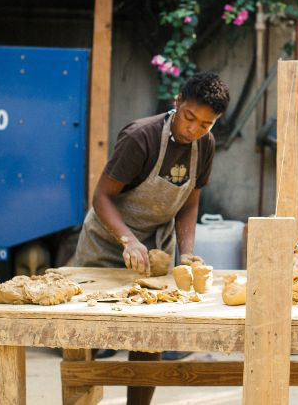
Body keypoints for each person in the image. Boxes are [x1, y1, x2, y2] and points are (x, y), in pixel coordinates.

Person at [71, 70, 229, 405]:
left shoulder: (205, 146)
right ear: (177, 103)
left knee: (149, 336)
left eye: (205, 124)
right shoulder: (140, 137)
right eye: (189, 118)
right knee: (88, 333)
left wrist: (186, 254)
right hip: (108, 241)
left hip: (156, 246)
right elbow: (101, 196)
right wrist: (127, 240)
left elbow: (190, 202)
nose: (193, 130)